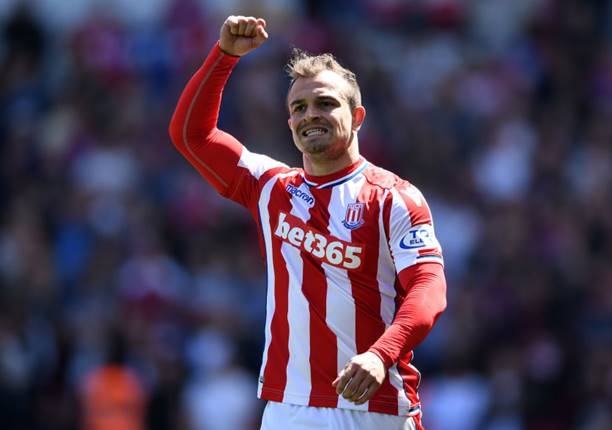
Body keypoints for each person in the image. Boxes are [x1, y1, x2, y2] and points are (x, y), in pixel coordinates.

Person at [168, 15, 447, 430]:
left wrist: (380, 353)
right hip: (288, 407)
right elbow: (192, 135)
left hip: (374, 408)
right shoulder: (270, 186)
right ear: (290, 123)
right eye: (299, 108)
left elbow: (428, 289)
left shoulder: (393, 198)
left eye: (325, 104)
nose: (310, 115)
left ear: (357, 117)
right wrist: (224, 55)